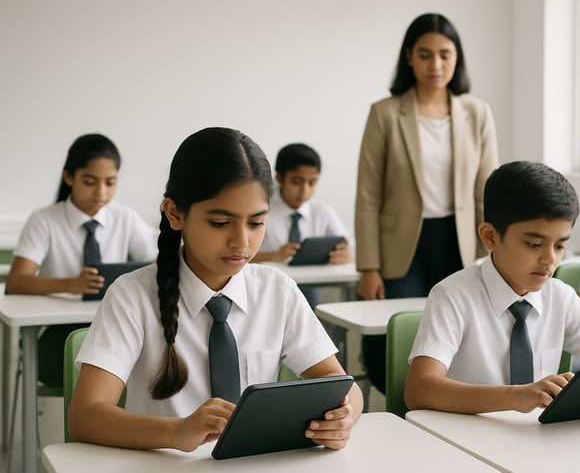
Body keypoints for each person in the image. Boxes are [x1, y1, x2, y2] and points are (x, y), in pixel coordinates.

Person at [68, 127, 363, 451]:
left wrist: (345, 416)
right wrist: (176, 432)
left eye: (256, 223)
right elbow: (85, 416)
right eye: (220, 223)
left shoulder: (277, 290)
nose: (242, 241)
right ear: (175, 213)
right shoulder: (131, 296)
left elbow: (343, 387)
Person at [404, 161, 580, 415]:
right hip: (464, 440)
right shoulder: (453, 296)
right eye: (534, 244)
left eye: (559, 246)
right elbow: (419, 390)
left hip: (536, 441)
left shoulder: (561, 297)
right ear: (490, 236)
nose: (550, 260)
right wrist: (516, 396)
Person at [355, 13, 499, 394]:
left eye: (444, 55)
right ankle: (399, 406)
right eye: (425, 54)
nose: (435, 65)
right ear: (409, 58)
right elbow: (368, 195)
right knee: (395, 332)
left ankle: (445, 403)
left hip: (461, 240)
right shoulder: (385, 113)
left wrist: (497, 249)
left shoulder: (477, 112)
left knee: (458, 330)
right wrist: (369, 267)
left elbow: (488, 189)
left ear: (457, 59)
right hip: (401, 246)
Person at [6, 133, 157, 388]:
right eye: (89, 181)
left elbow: (159, 262)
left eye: (110, 182)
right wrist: (69, 284)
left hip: (112, 327)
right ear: (69, 177)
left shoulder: (125, 218)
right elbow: (17, 282)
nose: (101, 192)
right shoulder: (44, 220)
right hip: (58, 334)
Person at [252, 143, 352, 306]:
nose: (304, 191)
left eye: (312, 183)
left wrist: (345, 255)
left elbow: (346, 245)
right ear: (279, 178)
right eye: (297, 182)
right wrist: (273, 256)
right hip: (265, 288)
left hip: (308, 289)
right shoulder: (259, 209)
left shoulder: (323, 211)